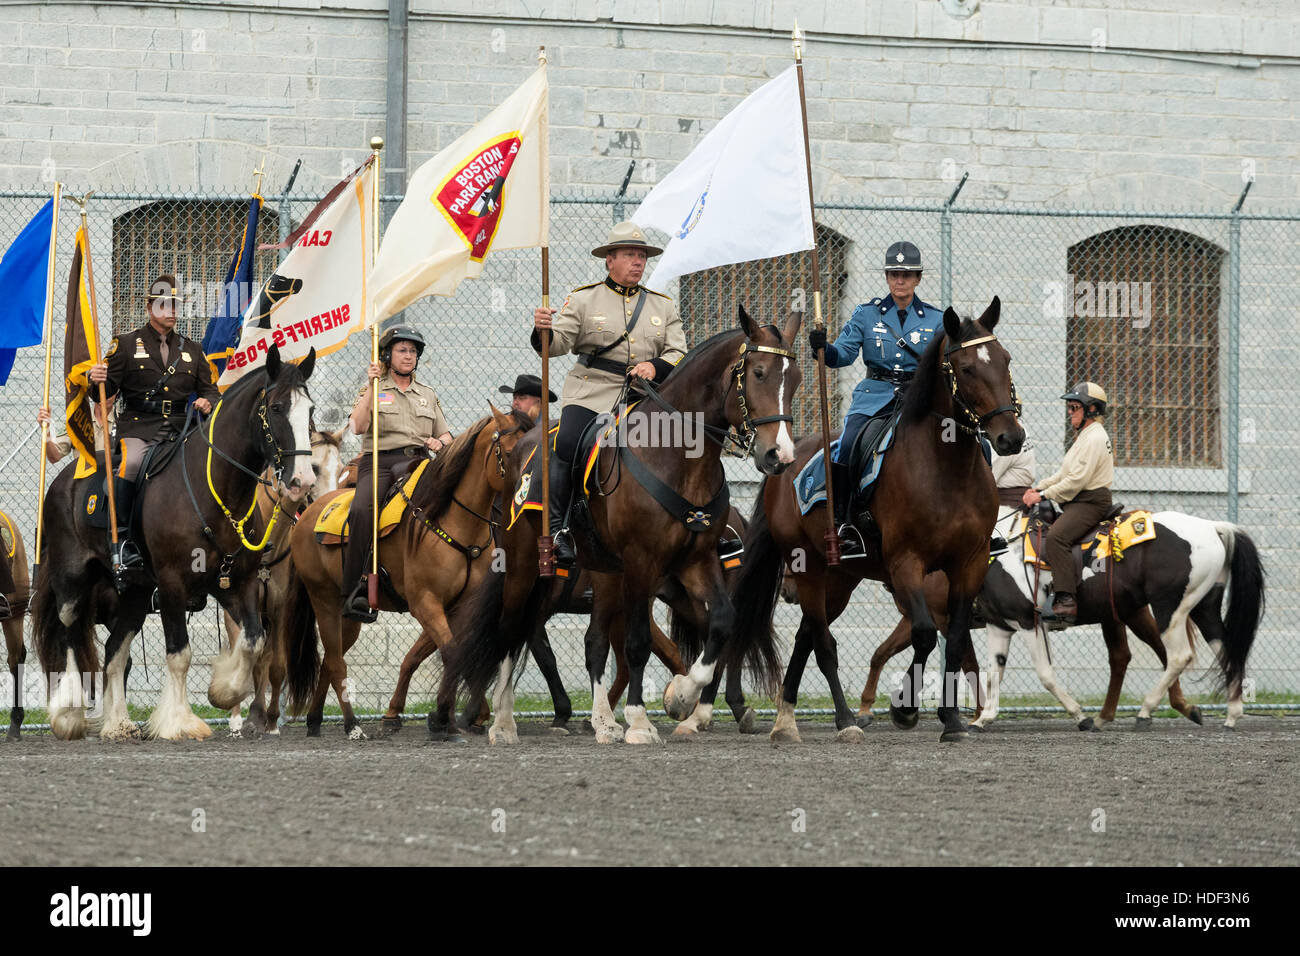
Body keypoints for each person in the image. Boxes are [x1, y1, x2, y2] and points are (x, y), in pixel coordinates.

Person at [531, 221, 687, 567]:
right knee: (568, 441)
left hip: (645, 396)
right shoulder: (585, 299)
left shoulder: (663, 306)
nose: (638, 262)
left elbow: (678, 352)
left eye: (642, 256)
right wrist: (542, 330)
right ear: (609, 260)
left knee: (689, 441)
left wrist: (656, 367)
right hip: (592, 391)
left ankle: (698, 524)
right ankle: (560, 528)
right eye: (630, 255)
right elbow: (557, 345)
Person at [808, 240, 941, 558]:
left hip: (918, 399)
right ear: (886, 276)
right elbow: (843, 355)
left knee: (962, 439)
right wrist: (822, 347)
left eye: (906, 275)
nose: (900, 280)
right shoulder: (867, 315)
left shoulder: (935, 320)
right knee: (849, 442)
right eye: (894, 273)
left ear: (918, 279)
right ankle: (843, 523)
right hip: (874, 397)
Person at [87, 274, 218, 571]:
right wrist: (94, 381)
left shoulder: (193, 350)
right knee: (131, 464)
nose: (172, 311)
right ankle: (121, 541)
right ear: (149, 308)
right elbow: (103, 393)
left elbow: (211, 390)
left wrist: (208, 401)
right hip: (139, 427)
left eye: (175, 305)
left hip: (182, 429)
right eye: (165, 305)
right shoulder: (125, 344)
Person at [340, 325, 452, 622]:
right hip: (380, 463)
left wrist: (438, 443)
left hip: (420, 462)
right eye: (402, 350)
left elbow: (447, 439)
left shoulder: (427, 394)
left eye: (413, 351)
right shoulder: (374, 389)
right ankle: (355, 587)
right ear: (387, 354)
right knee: (363, 510)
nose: (409, 356)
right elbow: (357, 427)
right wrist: (371, 385)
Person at [1022, 382, 1114, 625]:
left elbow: (1076, 480)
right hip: (1079, 500)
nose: (1070, 412)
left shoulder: (1094, 437)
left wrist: (1042, 496)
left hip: (1090, 502)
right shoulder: (1085, 436)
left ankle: (1066, 600)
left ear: (1092, 409)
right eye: (1070, 407)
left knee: (1057, 538)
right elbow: (1064, 474)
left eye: (1075, 407)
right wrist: (1039, 487)